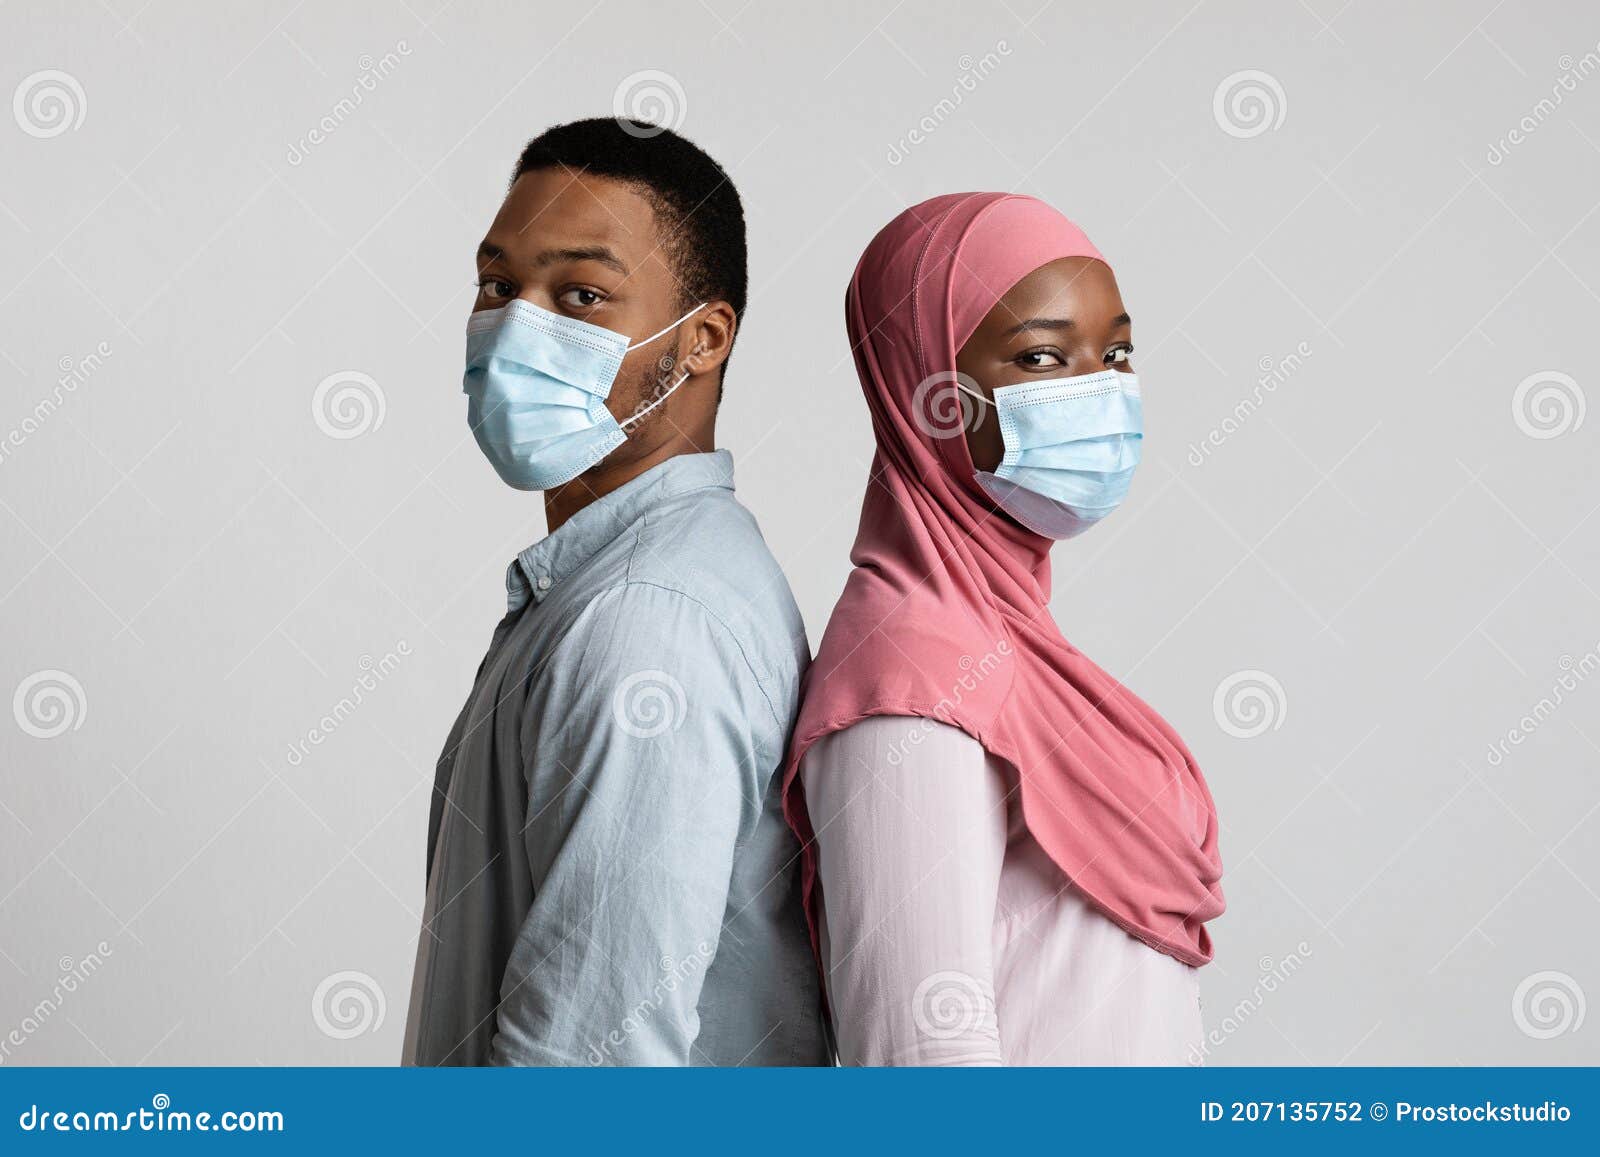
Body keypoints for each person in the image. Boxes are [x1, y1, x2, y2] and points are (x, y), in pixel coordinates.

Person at [403, 118, 827, 1067]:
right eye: (498, 285)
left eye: (583, 295)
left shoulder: (651, 622)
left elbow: (590, 1069)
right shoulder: (608, 587)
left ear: (704, 338)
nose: (519, 326)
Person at [784, 192, 1225, 1066]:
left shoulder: (1011, 648)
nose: (1099, 390)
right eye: (1040, 356)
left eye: (1117, 352)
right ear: (926, 391)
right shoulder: (911, 681)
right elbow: (922, 1060)